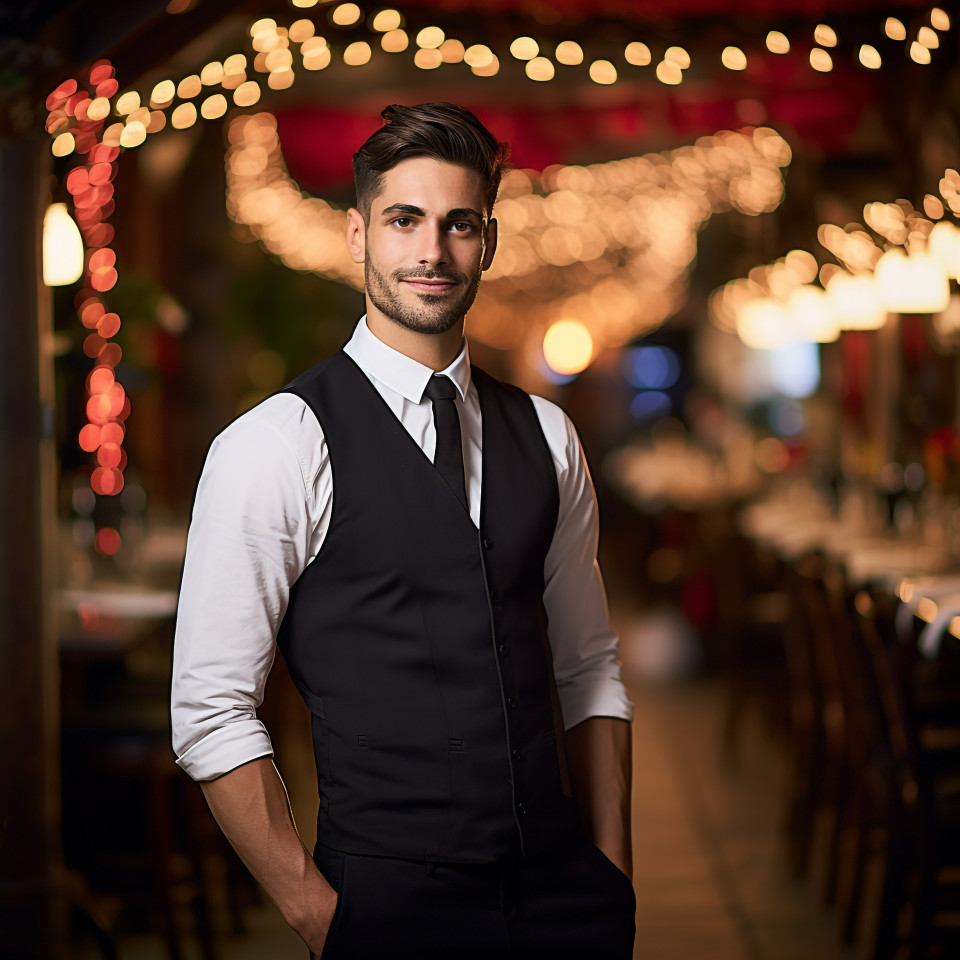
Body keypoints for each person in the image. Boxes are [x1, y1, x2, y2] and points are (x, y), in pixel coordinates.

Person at [171, 102, 635, 959]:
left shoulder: (548, 433)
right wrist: (318, 916)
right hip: (386, 907)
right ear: (356, 235)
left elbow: (588, 667)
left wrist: (612, 872)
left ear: (487, 241)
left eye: (459, 224)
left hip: (566, 898)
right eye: (404, 220)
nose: (432, 251)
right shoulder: (274, 443)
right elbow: (211, 711)